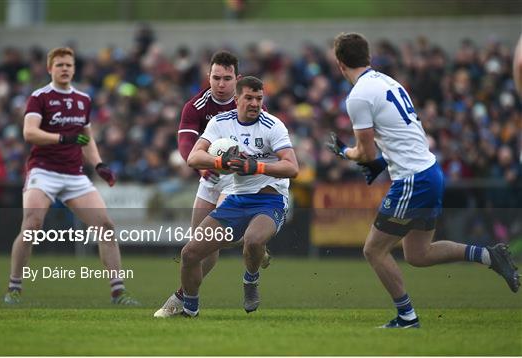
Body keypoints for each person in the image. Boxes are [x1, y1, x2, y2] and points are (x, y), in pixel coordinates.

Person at [327, 33, 520, 328]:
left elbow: (364, 151)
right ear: (368, 57)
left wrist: (344, 152)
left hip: (413, 179)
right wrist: (379, 162)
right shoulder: (388, 81)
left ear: (340, 64)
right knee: (418, 254)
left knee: (373, 250)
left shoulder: (359, 95)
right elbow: (396, 137)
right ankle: (488, 256)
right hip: (430, 171)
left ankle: (407, 316)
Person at [4, 47, 138, 305]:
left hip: (74, 175)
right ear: (49, 68)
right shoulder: (39, 97)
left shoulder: (82, 99)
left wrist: (99, 164)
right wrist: (62, 138)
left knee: (106, 227)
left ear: (74, 68)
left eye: (69, 64)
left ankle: (118, 291)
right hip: (43, 171)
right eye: (60, 65)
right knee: (32, 226)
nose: (65, 68)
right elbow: (29, 133)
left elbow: (86, 138)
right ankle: (14, 287)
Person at [154, 51, 271, 318]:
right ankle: (255, 245)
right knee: (198, 246)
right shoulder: (195, 106)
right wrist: (202, 166)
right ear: (208, 76)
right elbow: (186, 145)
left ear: (237, 79)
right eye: (216, 77)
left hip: (238, 180)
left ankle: (180, 298)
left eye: (227, 78)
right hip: (210, 177)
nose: (220, 84)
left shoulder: (252, 106)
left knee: (215, 238)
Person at [177, 76, 298, 317]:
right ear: (236, 99)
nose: (255, 103)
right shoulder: (221, 124)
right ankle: (190, 309)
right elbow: (193, 158)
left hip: (270, 199)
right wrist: (221, 162)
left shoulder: (273, 125)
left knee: (253, 240)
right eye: (249, 98)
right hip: (237, 199)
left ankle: (250, 280)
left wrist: (257, 167)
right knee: (189, 254)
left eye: (259, 98)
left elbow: (292, 167)